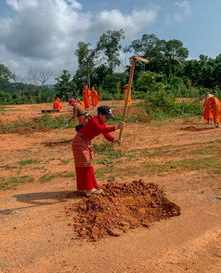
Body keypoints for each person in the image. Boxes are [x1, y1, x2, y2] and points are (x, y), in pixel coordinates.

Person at [72, 105, 123, 196]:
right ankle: (89, 189)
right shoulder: (94, 121)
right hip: (79, 143)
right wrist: (115, 127)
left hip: (85, 142)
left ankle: (85, 187)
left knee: (85, 165)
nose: (107, 119)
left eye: (109, 117)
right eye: (106, 116)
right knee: (86, 165)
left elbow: (105, 133)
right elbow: (101, 129)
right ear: (100, 114)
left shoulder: (100, 122)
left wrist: (114, 140)